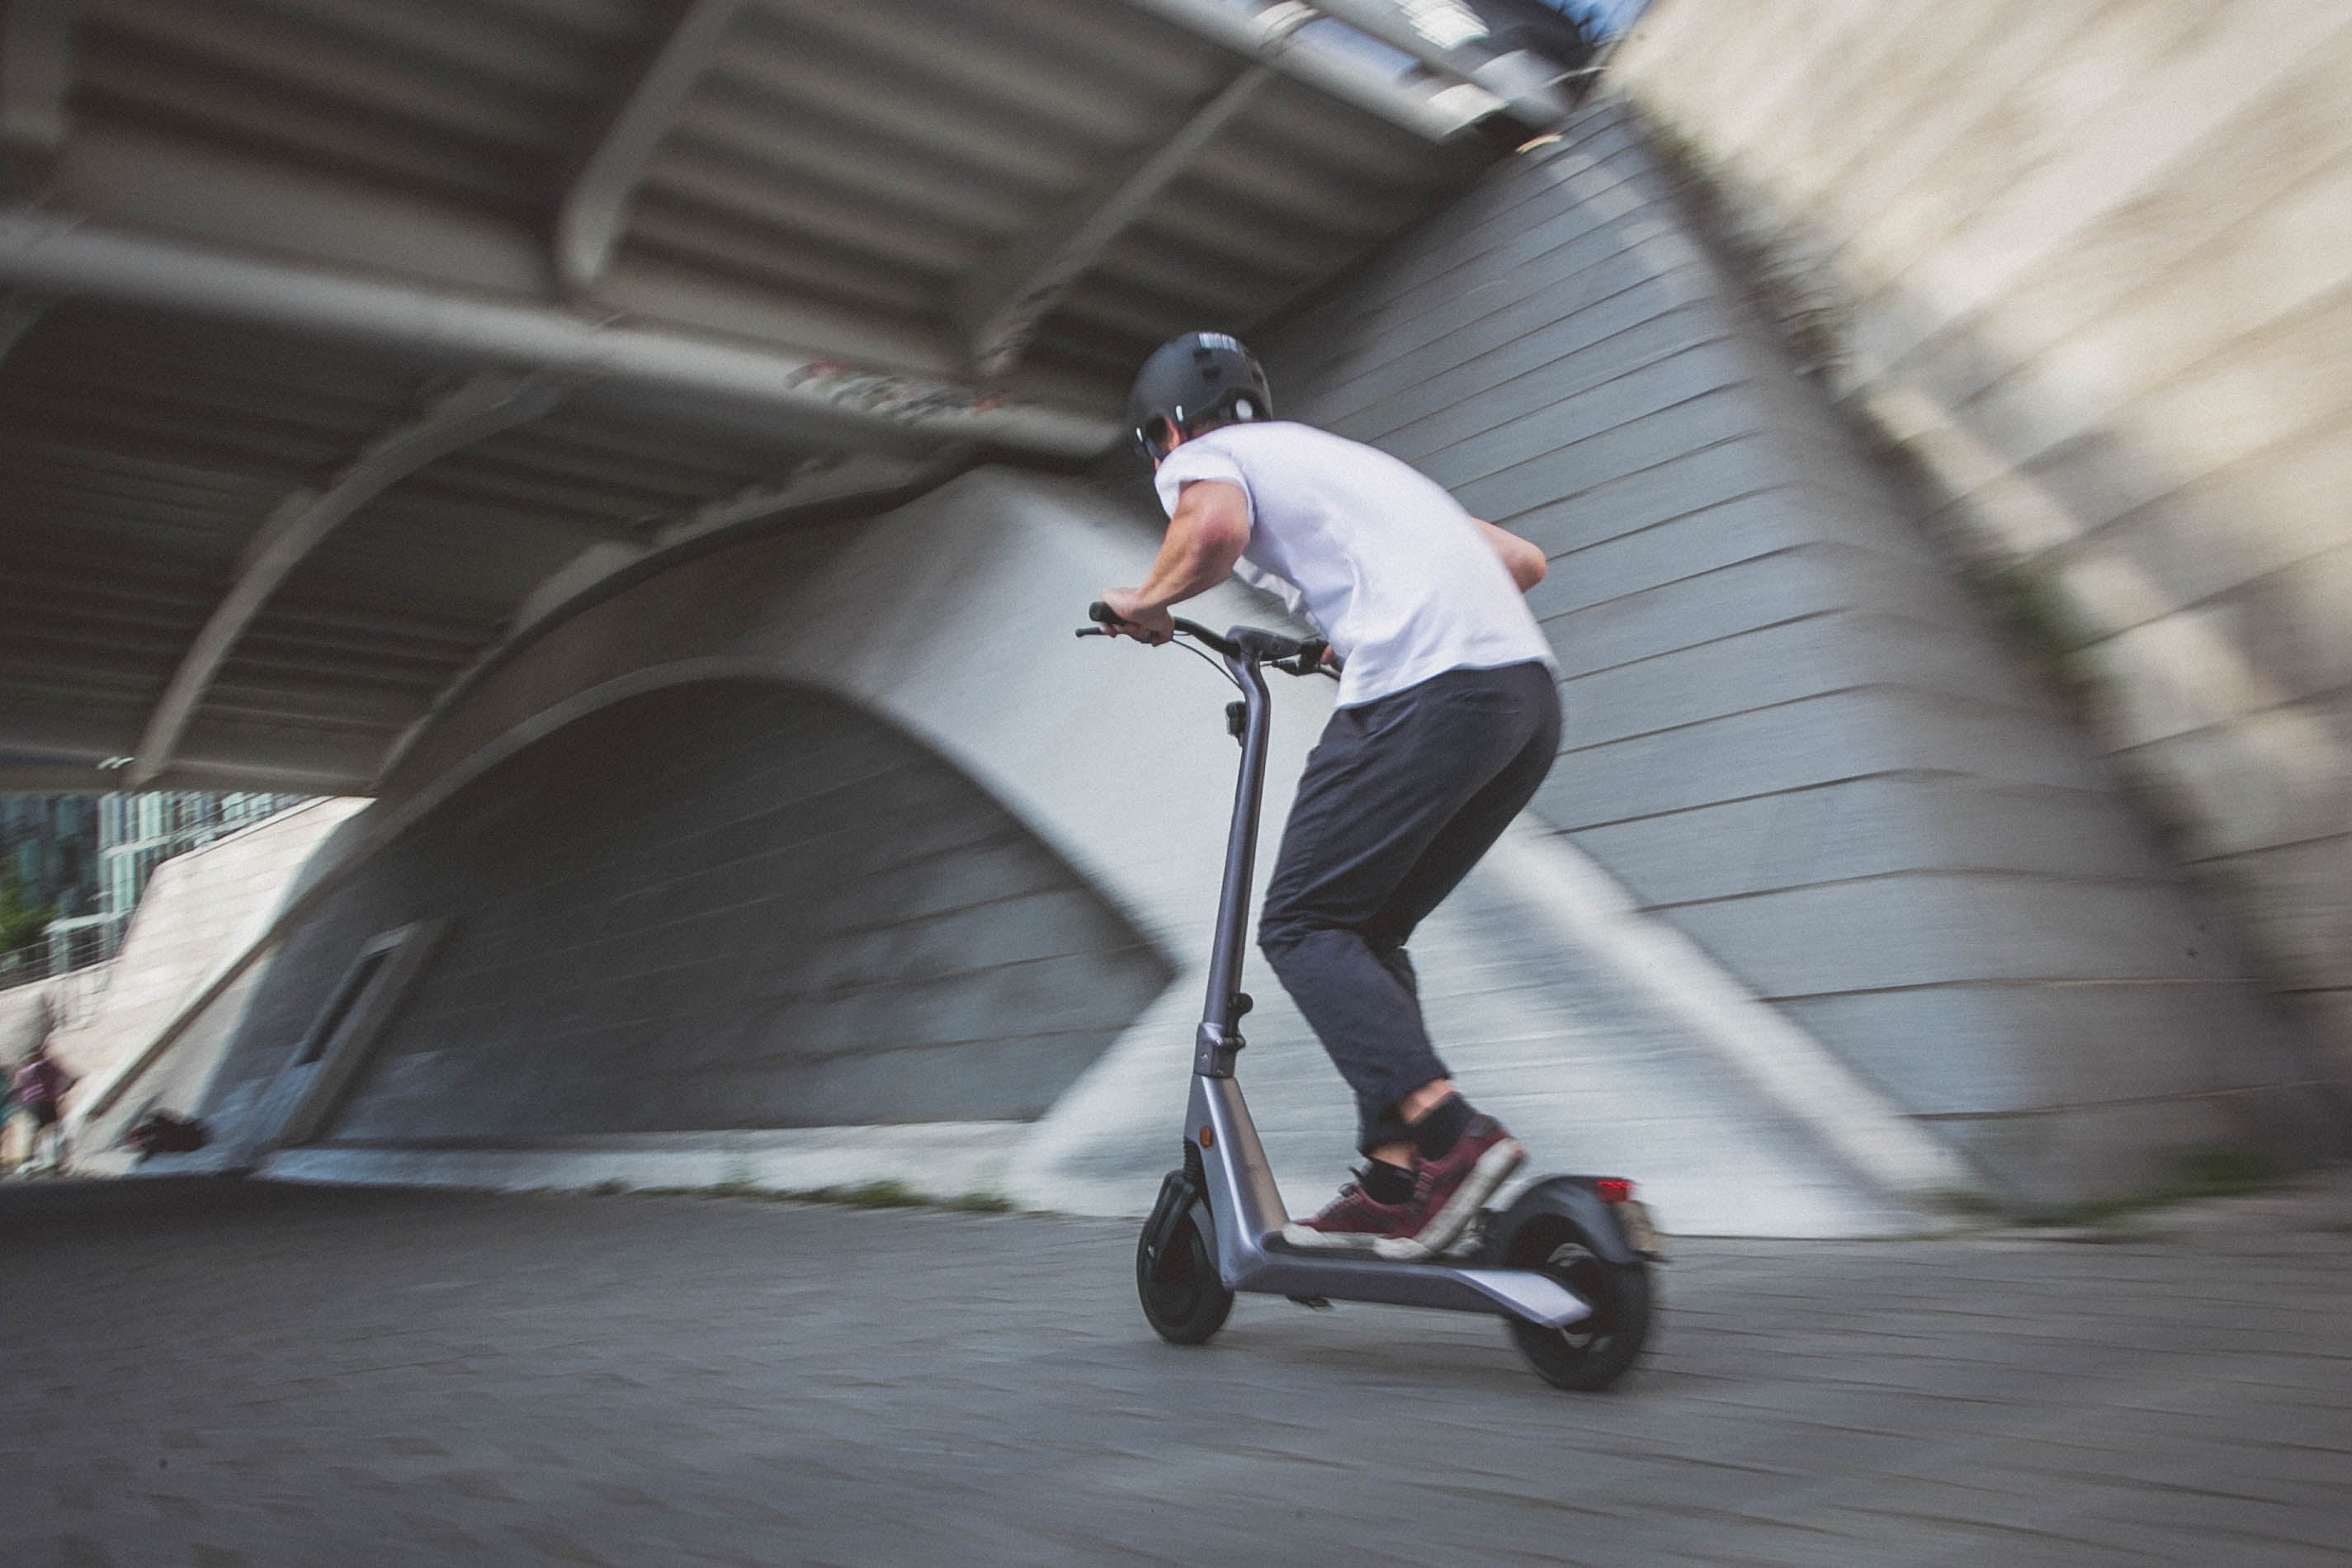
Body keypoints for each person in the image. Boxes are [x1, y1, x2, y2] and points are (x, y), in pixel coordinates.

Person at [1099, 331, 1559, 1259]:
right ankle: (1395, 1179)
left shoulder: (1208, 459)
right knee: (1365, 930)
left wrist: (1147, 600)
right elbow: (1520, 561)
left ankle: (1449, 1134)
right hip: (1523, 702)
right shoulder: (1341, 462)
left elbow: (1215, 530)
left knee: (1301, 926)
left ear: (1165, 431)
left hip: (1429, 692)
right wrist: (1348, 633)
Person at [12, 1040, 74, 1175]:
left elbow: (17, 1089)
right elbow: (68, 1080)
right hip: (47, 1102)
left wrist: (21, 1104)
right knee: (52, 1131)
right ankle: (53, 1162)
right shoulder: (49, 1065)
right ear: (42, 1053)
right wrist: (61, 1091)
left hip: (30, 1104)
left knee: (33, 1132)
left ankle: (27, 1162)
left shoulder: (23, 1072)